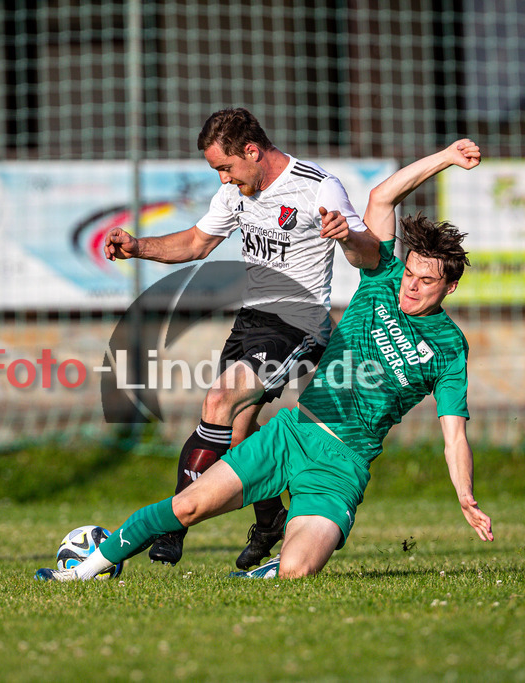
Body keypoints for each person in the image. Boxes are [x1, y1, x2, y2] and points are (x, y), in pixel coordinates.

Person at [37, 138, 493, 581]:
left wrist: (465, 495)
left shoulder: (450, 348)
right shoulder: (383, 280)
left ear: (449, 287)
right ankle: (82, 571)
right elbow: (382, 196)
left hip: (341, 467)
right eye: (410, 273)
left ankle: (270, 558)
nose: (411, 286)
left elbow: (454, 436)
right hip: (292, 434)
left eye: (425, 282)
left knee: (297, 569)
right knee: (190, 503)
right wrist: (446, 156)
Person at [103, 108, 378, 568]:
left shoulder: (318, 187)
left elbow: (370, 254)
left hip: (300, 323)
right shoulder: (235, 191)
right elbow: (197, 242)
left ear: (252, 151)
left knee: (219, 400)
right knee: (238, 433)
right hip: (252, 321)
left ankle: (172, 526)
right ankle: (269, 521)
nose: (224, 179)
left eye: (226, 168)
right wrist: (138, 248)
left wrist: (348, 235)